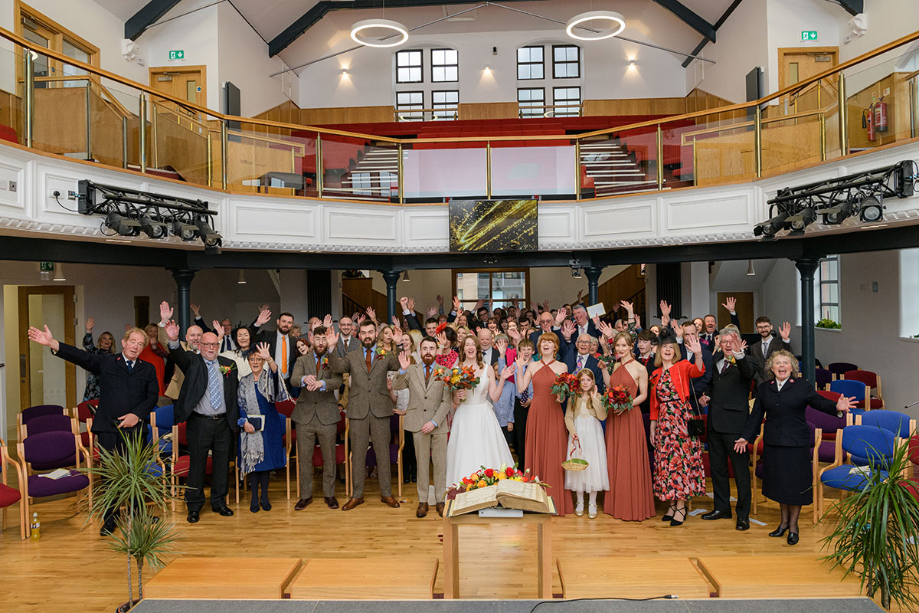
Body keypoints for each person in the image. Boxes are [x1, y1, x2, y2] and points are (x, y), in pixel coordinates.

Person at [28, 325, 158, 536]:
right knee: (109, 475)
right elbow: (80, 356)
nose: (135, 347)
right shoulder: (106, 362)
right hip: (108, 428)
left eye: (140, 344)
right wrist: (53, 343)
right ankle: (110, 518)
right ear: (124, 342)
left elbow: (152, 396)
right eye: (132, 342)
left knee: (135, 474)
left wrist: (137, 415)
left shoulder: (148, 368)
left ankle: (138, 514)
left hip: (135, 430)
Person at [734, 350, 854, 545]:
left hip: (796, 443)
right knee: (781, 485)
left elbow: (819, 402)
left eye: (786, 363)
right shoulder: (765, 388)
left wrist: (836, 407)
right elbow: (756, 415)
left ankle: (793, 526)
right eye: (778, 363)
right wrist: (745, 438)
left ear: (792, 367)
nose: (782, 366)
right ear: (771, 368)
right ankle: (782, 524)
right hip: (774, 443)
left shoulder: (802, 386)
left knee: (795, 486)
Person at [165, 319, 240, 524]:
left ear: (218, 345)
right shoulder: (192, 361)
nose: (210, 348)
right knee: (197, 465)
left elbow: (233, 393)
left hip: (224, 423)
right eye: (206, 344)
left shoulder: (228, 364)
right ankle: (194, 506)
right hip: (199, 423)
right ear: (199, 346)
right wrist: (173, 339)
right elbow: (177, 354)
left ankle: (219, 502)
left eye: (214, 344)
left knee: (222, 464)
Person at [327, 321, 403, 511]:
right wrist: (331, 347)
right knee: (358, 454)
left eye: (370, 332)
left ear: (375, 334)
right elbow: (336, 367)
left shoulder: (384, 354)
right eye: (363, 332)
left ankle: (387, 494)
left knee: (383, 454)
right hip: (358, 411)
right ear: (358, 334)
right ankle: (357, 495)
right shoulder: (351, 356)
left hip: (380, 410)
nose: (367, 335)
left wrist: (398, 344)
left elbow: (397, 364)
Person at [698, 325, 756, 531]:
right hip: (714, 423)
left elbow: (748, 375)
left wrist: (740, 355)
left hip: (735, 426)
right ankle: (721, 508)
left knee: (740, 471)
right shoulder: (715, 360)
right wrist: (706, 395)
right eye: (724, 342)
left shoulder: (747, 361)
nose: (728, 344)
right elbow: (712, 385)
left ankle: (743, 514)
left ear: (739, 342)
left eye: (732, 341)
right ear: (719, 344)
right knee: (718, 469)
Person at [650, 331, 706, 527]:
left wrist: (698, 354)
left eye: (670, 347)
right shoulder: (655, 374)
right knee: (667, 462)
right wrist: (652, 426)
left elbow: (698, 372)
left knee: (680, 461)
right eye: (664, 347)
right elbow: (654, 404)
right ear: (659, 351)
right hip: (664, 421)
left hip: (681, 418)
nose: (667, 350)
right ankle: (673, 503)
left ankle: (681, 505)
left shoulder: (682, 366)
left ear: (675, 351)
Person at [444, 335, 516, 488]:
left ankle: (487, 487)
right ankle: (463, 488)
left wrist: (502, 379)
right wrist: (457, 395)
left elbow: (494, 397)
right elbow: (455, 402)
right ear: (463, 348)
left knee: (486, 451)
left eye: (473, 345)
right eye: (467, 345)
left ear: (476, 348)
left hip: (484, 415)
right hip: (464, 416)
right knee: (465, 452)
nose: (470, 347)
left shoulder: (488, 368)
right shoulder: (456, 370)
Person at [516, 332, 574, 516]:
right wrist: (519, 368)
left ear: (555, 347)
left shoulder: (562, 366)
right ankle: (535, 501)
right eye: (543, 342)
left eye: (549, 342)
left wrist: (562, 395)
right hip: (536, 412)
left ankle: (555, 499)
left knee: (554, 453)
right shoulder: (532, 365)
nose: (546, 344)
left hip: (554, 412)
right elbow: (521, 388)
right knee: (536, 451)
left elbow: (564, 394)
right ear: (539, 347)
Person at [393, 336, 452, 517]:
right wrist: (402, 371)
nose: (428, 352)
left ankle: (441, 501)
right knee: (422, 464)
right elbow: (396, 385)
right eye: (425, 348)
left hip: (438, 424)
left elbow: (446, 401)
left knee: (440, 464)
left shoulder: (446, 371)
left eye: (431, 348)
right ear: (420, 350)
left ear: (436, 351)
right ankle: (423, 501)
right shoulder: (411, 369)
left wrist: (434, 421)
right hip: (417, 423)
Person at [603, 332, 654, 521]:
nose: (620, 349)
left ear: (631, 346)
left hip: (630, 415)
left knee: (628, 458)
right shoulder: (615, 365)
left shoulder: (640, 368)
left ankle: (631, 503)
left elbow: (643, 395)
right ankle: (615, 502)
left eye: (624, 345)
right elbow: (610, 386)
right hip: (614, 417)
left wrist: (626, 405)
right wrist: (602, 370)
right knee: (615, 457)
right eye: (618, 346)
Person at [291, 325, 343, 510]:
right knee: (304, 458)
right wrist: (304, 379)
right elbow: (293, 379)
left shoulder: (333, 359)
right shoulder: (302, 360)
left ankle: (329, 494)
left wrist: (323, 383)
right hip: (304, 416)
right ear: (311, 338)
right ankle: (306, 495)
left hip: (327, 415)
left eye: (324, 339)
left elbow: (338, 381)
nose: (320, 343)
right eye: (318, 339)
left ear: (327, 339)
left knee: (329, 457)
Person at [237, 342, 288, 513]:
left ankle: (264, 496)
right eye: (252, 359)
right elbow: (240, 404)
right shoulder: (244, 382)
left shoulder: (269, 378)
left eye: (258, 359)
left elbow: (278, 379)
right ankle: (253, 498)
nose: (255, 362)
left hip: (269, 426)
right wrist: (244, 421)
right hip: (251, 426)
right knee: (254, 462)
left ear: (263, 361)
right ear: (248, 362)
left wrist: (270, 359)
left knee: (265, 463)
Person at [564, 369, 608, 519]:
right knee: (578, 466)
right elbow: (568, 417)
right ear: (578, 382)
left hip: (593, 434)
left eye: (588, 380)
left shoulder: (599, 397)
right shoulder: (573, 398)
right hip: (578, 434)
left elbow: (602, 416)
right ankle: (580, 502)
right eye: (582, 380)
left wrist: (595, 399)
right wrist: (573, 431)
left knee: (593, 465)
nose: (585, 383)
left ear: (593, 382)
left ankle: (593, 503)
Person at [254, 311, 298, 390]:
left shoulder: (294, 341)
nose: (286, 324)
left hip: (288, 383)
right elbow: (249, 338)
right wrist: (257, 324)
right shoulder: (267, 335)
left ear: (292, 325)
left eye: (289, 322)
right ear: (278, 322)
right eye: (283, 321)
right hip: (269, 382)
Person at [747, 318, 793, 387]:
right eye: (760, 327)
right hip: (759, 386)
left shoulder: (780, 344)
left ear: (771, 327)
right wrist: (760, 382)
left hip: (778, 385)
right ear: (757, 329)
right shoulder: (753, 347)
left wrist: (785, 339)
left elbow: (789, 357)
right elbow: (753, 368)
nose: (763, 329)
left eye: (766, 326)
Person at [81, 317, 115, 401]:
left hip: (108, 386)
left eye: (109, 339)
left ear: (112, 342)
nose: (107, 340)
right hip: (94, 386)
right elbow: (87, 345)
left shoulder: (114, 357)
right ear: (100, 341)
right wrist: (88, 331)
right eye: (104, 338)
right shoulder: (95, 352)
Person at [493, 334, 516, 447]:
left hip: (506, 421)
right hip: (494, 421)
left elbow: (513, 404)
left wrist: (510, 420)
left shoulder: (511, 386)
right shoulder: (492, 385)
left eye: (500, 370)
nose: (498, 373)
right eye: (495, 370)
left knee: (506, 446)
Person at [139, 323, 169, 398]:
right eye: (151, 331)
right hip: (144, 368)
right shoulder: (141, 343)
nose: (153, 333)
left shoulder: (160, 343)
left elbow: (167, 355)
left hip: (158, 368)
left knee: (158, 385)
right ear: (146, 332)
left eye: (156, 331)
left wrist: (154, 346)